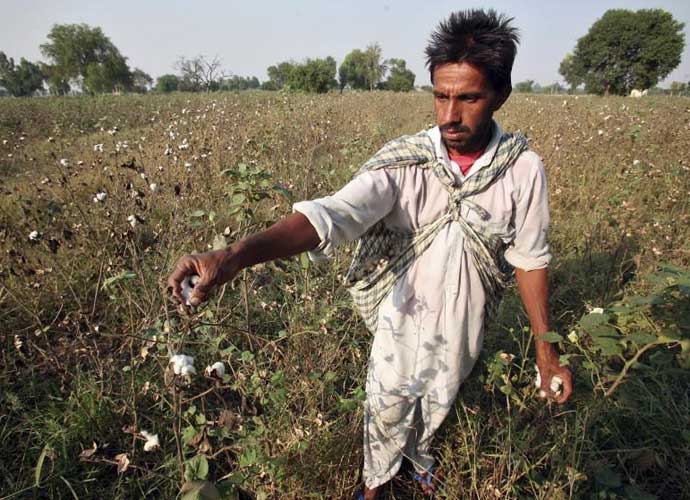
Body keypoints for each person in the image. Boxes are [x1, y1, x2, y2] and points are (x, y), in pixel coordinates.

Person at [168, 9, 573, 498]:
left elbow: (530, 258)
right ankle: (376, 483)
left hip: (469, 315)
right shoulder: (408, 162)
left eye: (468, 98)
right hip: (400, 313)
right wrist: (234, 255)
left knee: (444, 394)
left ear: (500, 95)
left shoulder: (522, 169)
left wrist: (545, 353)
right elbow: (331, 214)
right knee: (387, 402)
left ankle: (420, 461)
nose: (449, 115)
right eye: (441, 97)